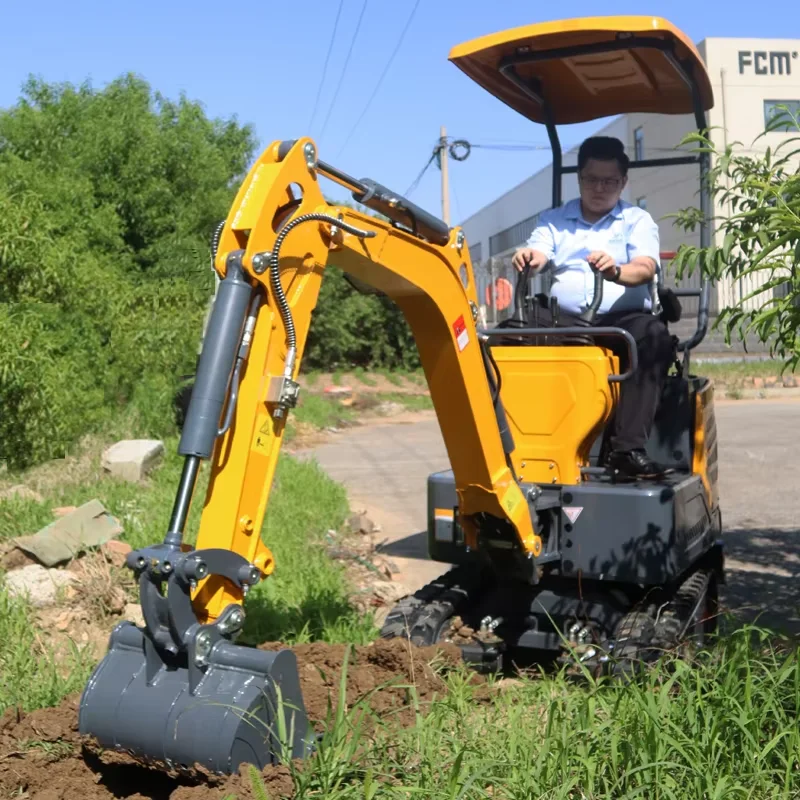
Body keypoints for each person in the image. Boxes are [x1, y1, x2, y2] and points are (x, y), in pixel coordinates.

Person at [511, 136, 675, 481]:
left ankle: (627, 450)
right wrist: (531, 258)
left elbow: (645, 266)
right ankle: (514, 445)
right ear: (579, 179)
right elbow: (539, 252)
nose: (599, 188)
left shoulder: (636, 219)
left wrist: (616, 271)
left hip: (623, 320)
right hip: (567, 320)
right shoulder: (554, 220)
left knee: (655, 337)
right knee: (509, 335)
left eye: (609, 181)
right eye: (591, 179)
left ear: (623, 182)